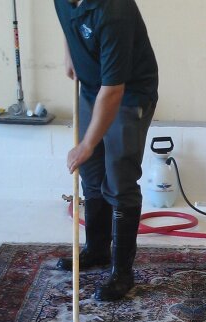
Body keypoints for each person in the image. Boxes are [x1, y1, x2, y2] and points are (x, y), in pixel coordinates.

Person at [53, 0, 159, 301]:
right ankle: (97, 250)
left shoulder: (114, 12)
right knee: (92, 173)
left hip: (128, 94)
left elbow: (113, 91)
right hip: (91, 87)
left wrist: (86, 144)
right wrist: (70, 54)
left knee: (119, 178)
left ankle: (122, 273)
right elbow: (68, 21)